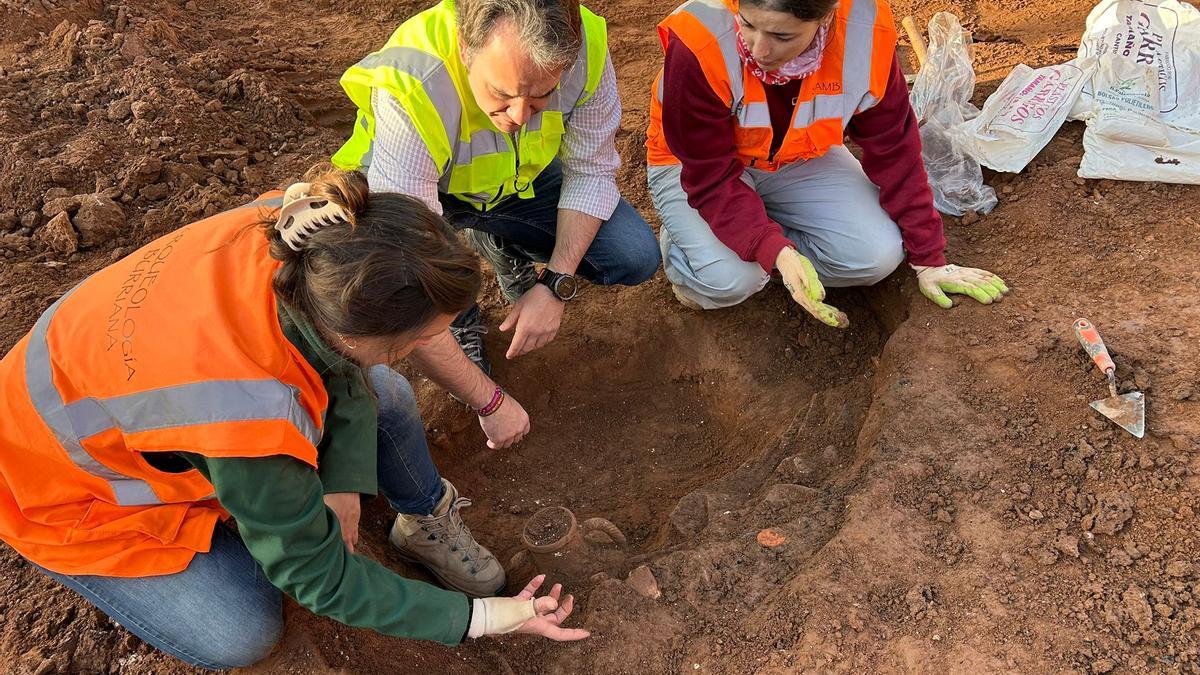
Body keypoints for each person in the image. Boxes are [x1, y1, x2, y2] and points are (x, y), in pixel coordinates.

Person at [0, 167, 587, 670]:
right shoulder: (247, 417)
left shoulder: (309, 233)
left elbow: (340, 364)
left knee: (385, 393)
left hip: (115, 392)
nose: (420, 351)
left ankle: (418, 522)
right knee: (241, 632)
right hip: (65, 495)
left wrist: (345, 480)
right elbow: (320, 579)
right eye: (414, 341)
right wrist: (484, 617)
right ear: (355, 334)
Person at [333, 0, 661, 376]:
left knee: (633, 255)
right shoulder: (414, 80)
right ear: (464, 48)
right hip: (420, 195)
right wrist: (487, 399)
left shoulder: (583, 49)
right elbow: (411, 250)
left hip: (516, 183)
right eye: (502, 94)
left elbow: (591, 171)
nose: (519, 116)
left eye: (541, 96)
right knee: (409, 285)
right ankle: (459, 320)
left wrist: (555, 283)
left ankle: (497, 241)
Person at [645, 0, 1008, 324]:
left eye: (782, 35)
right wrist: (773, 249)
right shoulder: (701, 37)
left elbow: (894, 147)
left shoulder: (864, 30)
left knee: (875, 256)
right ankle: (692, 249)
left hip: (796, 155)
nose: (758, 49)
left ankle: (757, 241)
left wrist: (929, 259)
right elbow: (709, 175)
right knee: (731, 280)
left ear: (826, 17)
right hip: (692, 166)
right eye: (748, 24)